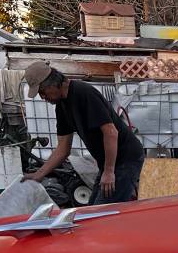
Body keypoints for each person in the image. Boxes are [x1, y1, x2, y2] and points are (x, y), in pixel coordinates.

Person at [22, 61, 144, 204]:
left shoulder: (84, 93)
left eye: (42, 92)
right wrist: (39, 174)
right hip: (108, 162)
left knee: (104, 212)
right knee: (91, 208)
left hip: (125, 158)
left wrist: (109, 171)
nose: (43, 97)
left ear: (52, 84)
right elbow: (63, 149)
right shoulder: (61, 106)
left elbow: (111, 132)